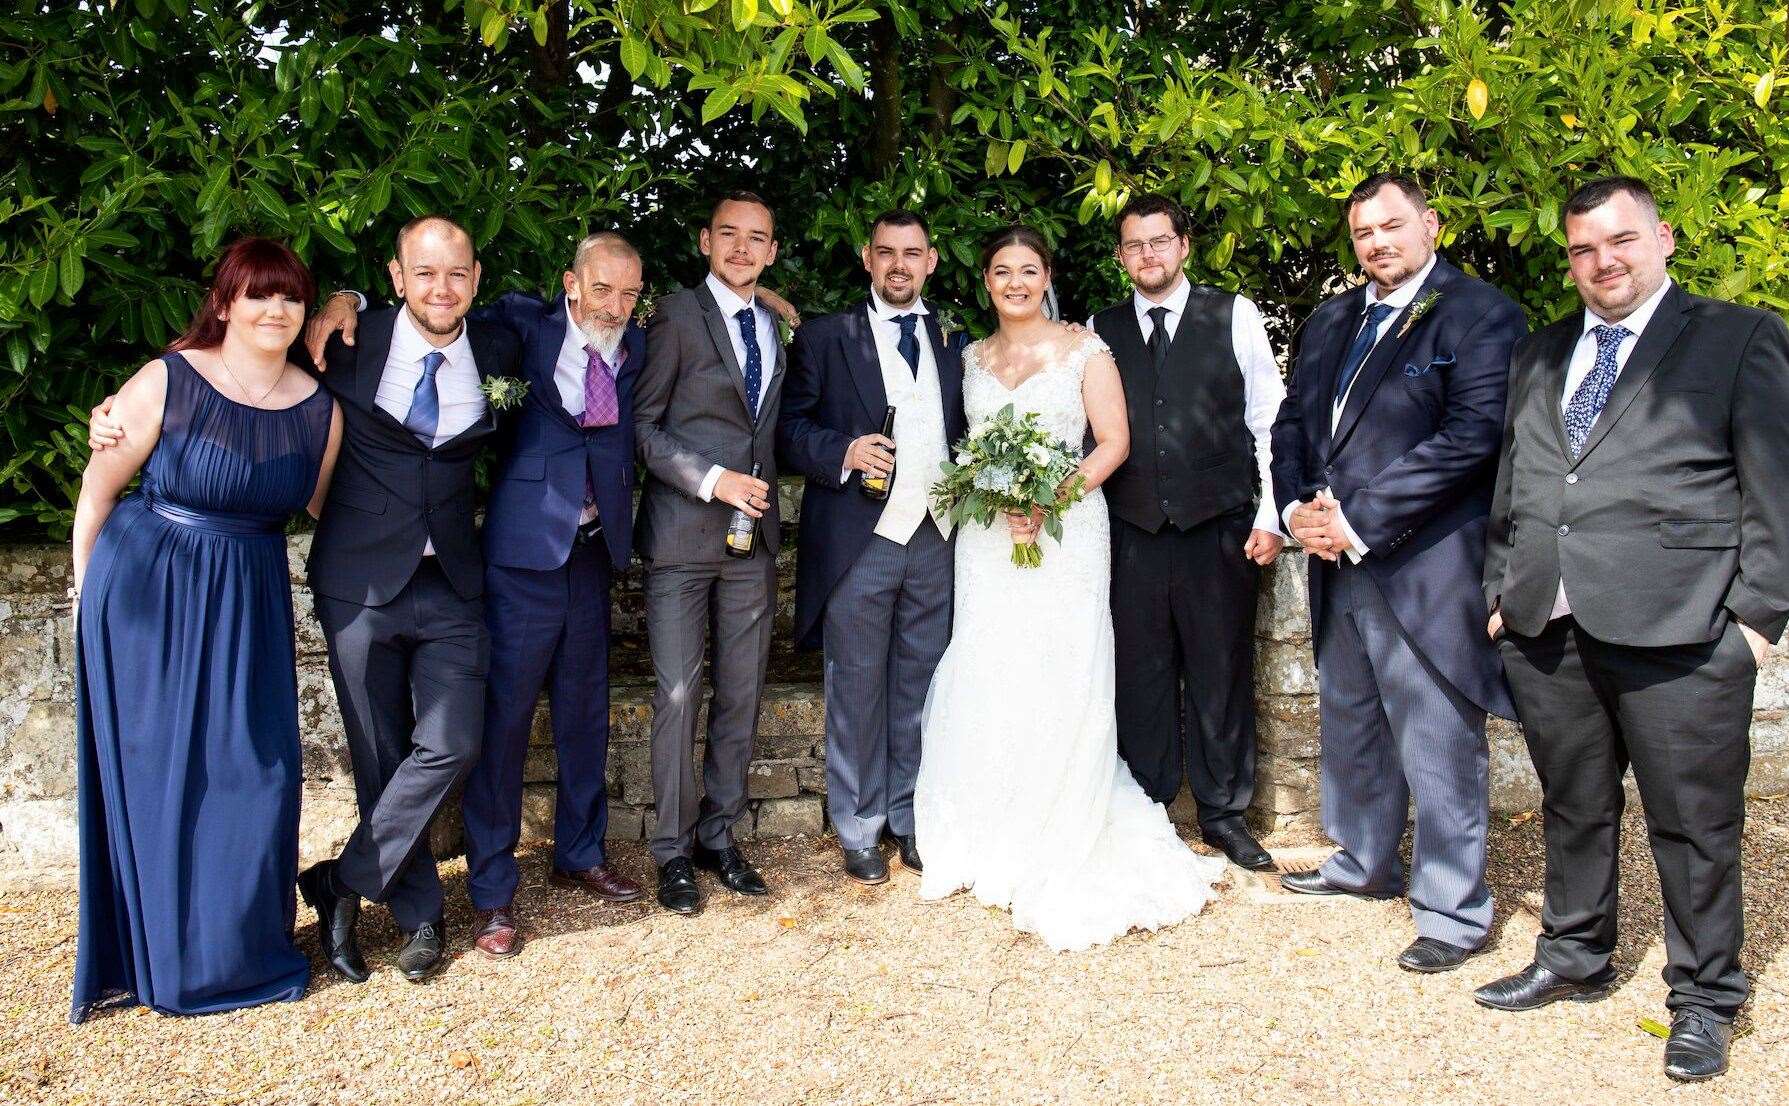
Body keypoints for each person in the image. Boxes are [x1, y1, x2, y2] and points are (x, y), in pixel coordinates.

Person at [1476, 177, 1789, 1083]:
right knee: (1573, 804)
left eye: (1618, 241)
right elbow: (1519, 481)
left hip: (1684, 630)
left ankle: (1703, 998)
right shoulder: (1539, 352)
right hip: (1548, 625)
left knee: (1693, 826)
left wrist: (1754, 625)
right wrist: (1501, 593)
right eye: (1581, 248)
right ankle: (1574, 953)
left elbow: (1775, 490)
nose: (1600, 262)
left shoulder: (1738, 337)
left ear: (1663, 238)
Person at [300, 232, 653, 959]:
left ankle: (579, 852)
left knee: (579, 717)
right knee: (489, 734)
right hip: (474, 563)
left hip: (580, 553)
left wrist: (772, 300)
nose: (613, 305)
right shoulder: (516, 328)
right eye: (600, 288)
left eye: (628, 292)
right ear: (568, 283)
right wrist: (345, 298)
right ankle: (484, 895)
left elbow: (704, 315)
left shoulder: (616, 342)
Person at [913, 225, 1227, 952]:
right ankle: (992, 822)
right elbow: (966, 449)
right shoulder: (970, 357)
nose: (1014, 282)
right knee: (991, 666)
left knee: (1061, 669)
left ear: (1045, 275)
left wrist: (1049, 498)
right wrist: (994, 498)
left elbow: (1113, 442)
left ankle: (1060, 821)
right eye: (1000, 271)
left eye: (1027, 270)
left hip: (1064, 532)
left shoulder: (1086, 349)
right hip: (990, 538)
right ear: (985, 281)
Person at [71, 237, 342, 1020]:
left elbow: (337, 509)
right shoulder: (168, 379)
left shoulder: (320, 407)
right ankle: (159, 961)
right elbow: (96, 497)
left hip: (247, 599)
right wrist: (87, 603)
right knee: (160, 780)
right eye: (256, 295)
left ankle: (235, 954)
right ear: (224, 304)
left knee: (255, 776)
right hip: (146, 592)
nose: (275, 310)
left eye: (290, 297)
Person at [1269, 173, 1524, 973]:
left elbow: (1471, 436)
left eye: (1390, 227)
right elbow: (1289, 425)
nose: (1376, 244)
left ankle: (1452, 911)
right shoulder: (1329, 320)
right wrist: (1295, 513)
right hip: (1332, 559)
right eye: (1362, 234)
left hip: (1422, 562)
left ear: (1430, 224)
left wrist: (1357, 520)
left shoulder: (1480, 313)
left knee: (1436, 734)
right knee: (1350, 719)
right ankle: (1363, 864)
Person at [299, 215, 519, 983]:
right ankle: (420, 919)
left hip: (453, 582)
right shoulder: (347, 345)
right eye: (424, 273)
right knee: (379, 754)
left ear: (477, 279)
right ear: (397, 278)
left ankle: (341, 880)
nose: (441, 288)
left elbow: (591, 314)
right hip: (357, 584)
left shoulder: (498, 348)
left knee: (453, 742)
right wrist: (341, 296)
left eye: (456, 274)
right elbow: (246, 352)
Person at [1086, 194, 1285, 872]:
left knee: (1219, 669)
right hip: (1131, 531)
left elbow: (1267, 418)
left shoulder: (1233, 313)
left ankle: (1224, 813)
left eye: (1159, 241)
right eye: (1135, 245)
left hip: (1216, 527)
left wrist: (1269, 514)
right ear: (1120, 257)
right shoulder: (1098, 327)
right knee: (1138, 675)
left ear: (1184, 246)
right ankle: (1146, 809)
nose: (1148, 255)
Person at [778, 209, 967, 885]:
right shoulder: (828, 338)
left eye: (911, 253)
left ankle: (910, 819)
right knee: (855, 685)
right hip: (860, 541)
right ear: (866, 257)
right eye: (886, 252)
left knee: (921, 685)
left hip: (938, 537)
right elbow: (788, 431)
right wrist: (843, 450)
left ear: (930, 261)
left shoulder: (957, 339)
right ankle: (858, 827)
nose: (898, 265)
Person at [633, 192, 786, 915]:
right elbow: (643, 427)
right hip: (682, 540)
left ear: (771, 252)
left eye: (755, 239)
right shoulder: (671, 315)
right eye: (728, 234)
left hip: (751, 544)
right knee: (677, 695)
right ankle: (671, 850)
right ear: (704, 240)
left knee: (743, 693)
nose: (740, 248)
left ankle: (718, 837)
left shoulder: (776, 325)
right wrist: (713, 479)